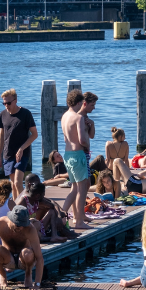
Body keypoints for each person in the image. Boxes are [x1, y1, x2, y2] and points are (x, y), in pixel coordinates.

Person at [0, 205, 44, 289]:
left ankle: (28, 274)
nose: (21, 228)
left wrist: (37, 283)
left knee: (27, 253)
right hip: (7, 258)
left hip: (24, 260)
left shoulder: (30, 228)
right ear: (11, 219)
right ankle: (2, 275)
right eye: (18, 225)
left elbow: (39, 257)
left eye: (23, 225)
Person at [60, 89, 93, 229]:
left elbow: (65, 138)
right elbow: (82, 139)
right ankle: (79, 221)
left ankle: (60, 215)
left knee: (74, 188)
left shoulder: (64, 116)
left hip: (67, 154)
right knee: (80, 189)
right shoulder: (78, 118)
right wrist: (86, 146)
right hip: (78, 154)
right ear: (79, 102)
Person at [0, 88, 38, 196]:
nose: (6, 105)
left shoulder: (25, 114)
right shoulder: (2, 115)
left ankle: (25, 208)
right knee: (13, 185)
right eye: (4, 103)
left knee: (17, 183)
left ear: (15, 100)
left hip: (22, 154)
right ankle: (17, 210)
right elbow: (1, 135)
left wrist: (21, 148)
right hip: (8, 154)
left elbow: (34, 134)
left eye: (8, 103)